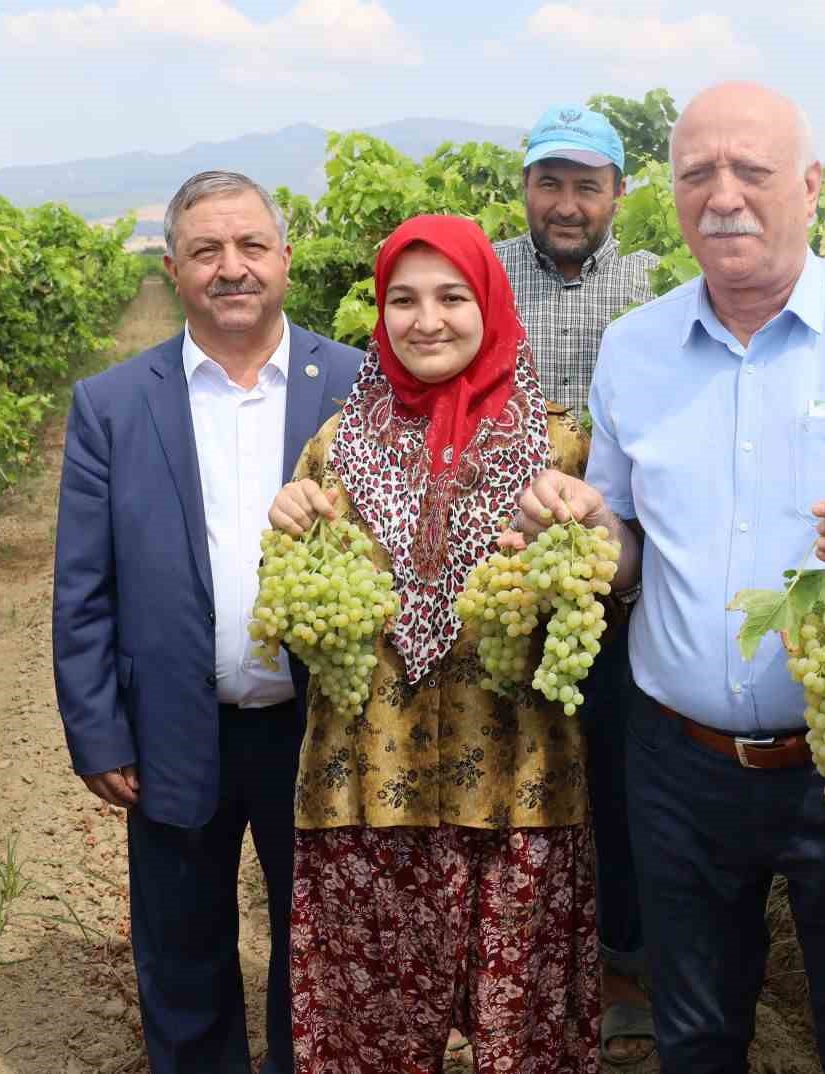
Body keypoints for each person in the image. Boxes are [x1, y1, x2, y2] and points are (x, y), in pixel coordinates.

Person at [506, 82, 825, 1074]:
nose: (722, 195)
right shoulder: (634, 349)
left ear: (811, 188)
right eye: (697, 173)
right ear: (672, 194)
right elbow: (630, 541)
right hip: (677, 765)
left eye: (752, 170)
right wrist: (582, 534)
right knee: (694, 1036)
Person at [268, 215, 599, 1074]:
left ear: (489, 303)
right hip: (365, 788)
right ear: (380, 316)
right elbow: (304, 617)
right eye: (403, 301)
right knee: (364, 1036)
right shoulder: (335, 448)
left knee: (521, 1044)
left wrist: (580, 544)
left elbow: (598, 601)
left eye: (452, 296)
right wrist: (290, 522)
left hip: (520, 790)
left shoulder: (562, 446)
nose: (428, 320)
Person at [52, 171, 361, 1074]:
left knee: (317, 953)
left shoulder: (358, 384)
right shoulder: (111, 404)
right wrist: (97, 729)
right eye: (207, 251)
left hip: (320, 727)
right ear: (173, 268)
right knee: (182, 951)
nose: (233, 269)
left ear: (286, 261)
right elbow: (83, 587)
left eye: (251, 247)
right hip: (171, 725)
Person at [494, 102, 660, 1066]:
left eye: (585, 186)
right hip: (506, 574)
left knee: (620, 771)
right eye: (549, 183)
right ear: (525, 189)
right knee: (519, 768)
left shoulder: (653, 286)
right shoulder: (486, 277)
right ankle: (523, 962)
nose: (565, 204)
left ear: (617, 196)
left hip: (621, 579)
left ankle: (626, 965)